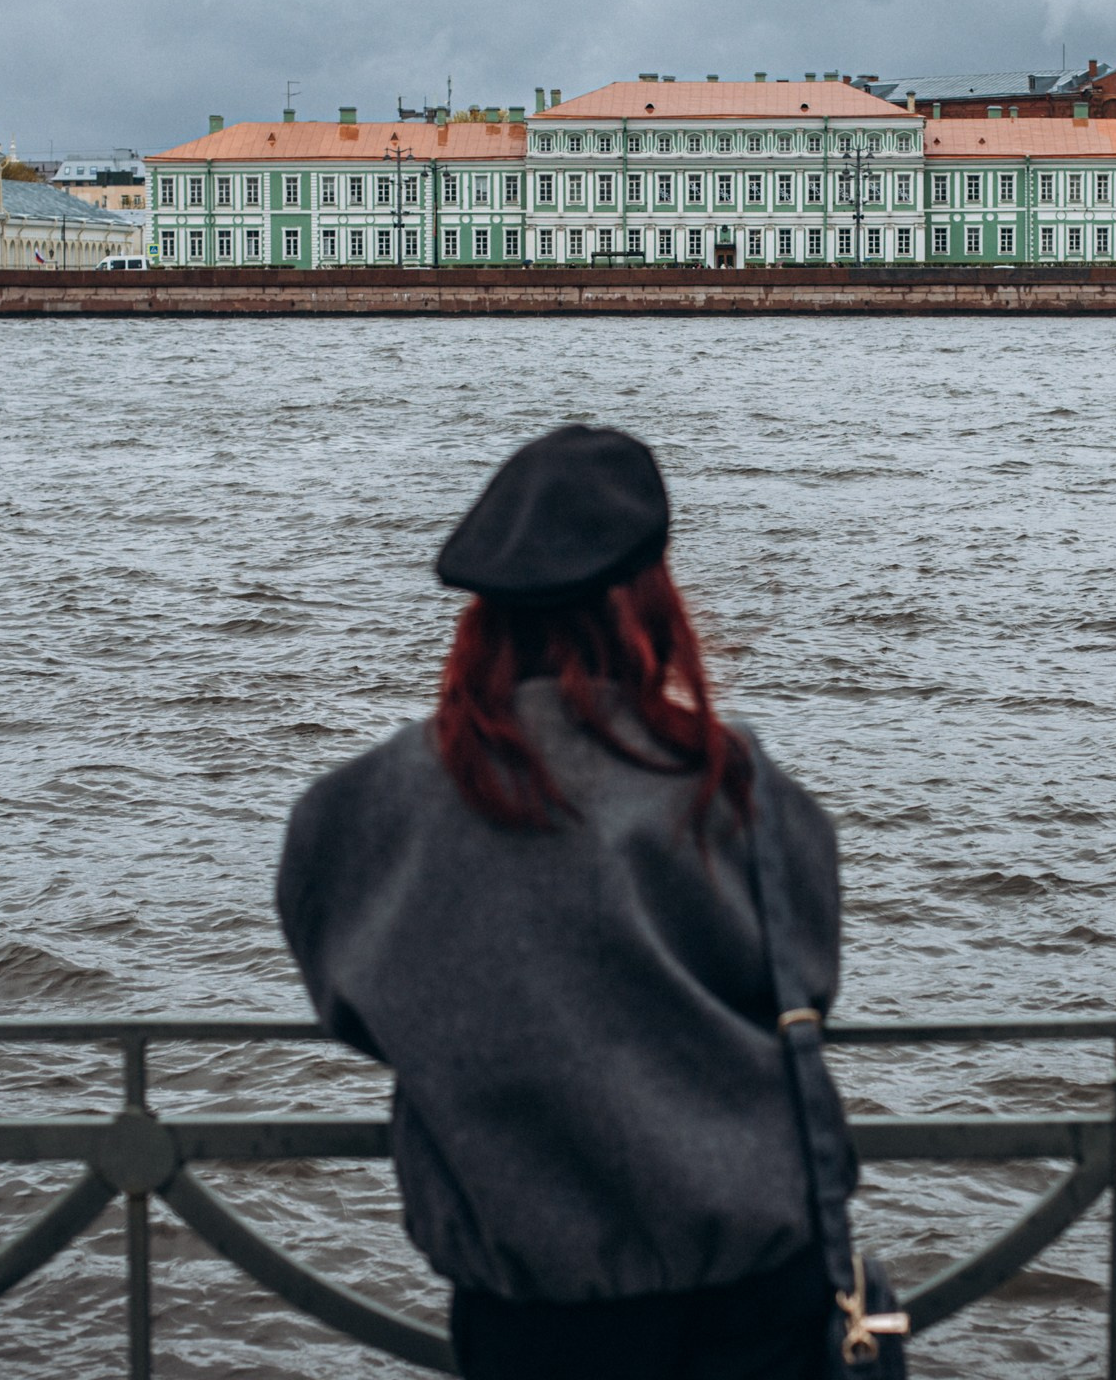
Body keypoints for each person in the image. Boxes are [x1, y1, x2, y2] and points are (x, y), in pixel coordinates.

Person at [275, 424, 850, 1380]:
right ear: (651, 600)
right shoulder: (734, 784)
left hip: (530, 1305)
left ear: (482, 614)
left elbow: (360, 1009)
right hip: (753, 1290)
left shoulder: (363, 808)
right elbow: (807, 986)